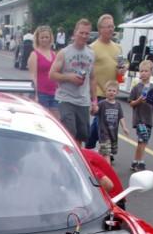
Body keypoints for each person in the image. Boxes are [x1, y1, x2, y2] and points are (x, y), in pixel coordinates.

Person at [49, 18, 98, 145]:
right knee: (69, 133)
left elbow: (92, 78)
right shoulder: (64, 52)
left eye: (87, 33)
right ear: (75, 33)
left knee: (81, 137)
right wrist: (69, 77)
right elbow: (52, 74)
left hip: (83, 101)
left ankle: (77, 162)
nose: (84, 36)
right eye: (81, 32)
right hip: (66, 99)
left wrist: (94, 101)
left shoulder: (91, 54)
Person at [86, 14, 125, 148]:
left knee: (107, 121)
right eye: (107, 26)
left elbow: (121, 65)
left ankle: (97, 146)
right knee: (101, 121)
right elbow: (87, 71)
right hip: (98, 90)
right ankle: (99, 147)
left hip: (111, 90)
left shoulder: (118, 47)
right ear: (100, 29)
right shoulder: (92, 48)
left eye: (112, 26)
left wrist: (122, 70)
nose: (110, 29)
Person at [129, 60, 153, 171]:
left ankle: (135, 161)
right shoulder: (136, 87)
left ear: (151, 72)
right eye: (141, 71)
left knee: (143, 141)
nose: (143, 73)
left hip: (149, 118)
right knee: (142, 139)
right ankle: (141, 162)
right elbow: (131, 103)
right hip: (139, 119)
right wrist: (139, 100)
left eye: (146, 71)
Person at [97, 80, 129, 164]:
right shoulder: (102, 104)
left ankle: (96, 160)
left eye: (114, 91)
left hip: (113, 133)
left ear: (117, 92)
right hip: (104, 134)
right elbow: (94, 112)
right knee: (106, 153)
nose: (111, 92)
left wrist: (124, 127)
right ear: (105, 91)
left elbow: (121, 117)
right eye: (109, 90)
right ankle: (108, 171)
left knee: (108, 151)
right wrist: (92, 108)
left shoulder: (118, 105)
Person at [28, 25, 58, 113]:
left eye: (46, 37)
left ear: (50, 38)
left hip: (54, 93)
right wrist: (35, 95)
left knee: (56, 121)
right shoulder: (34, 55)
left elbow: (56, 74)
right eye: (42, 37)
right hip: (41, 93)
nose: (44, 39)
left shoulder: (54, 54)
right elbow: (33, 76)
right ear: (37, 39)